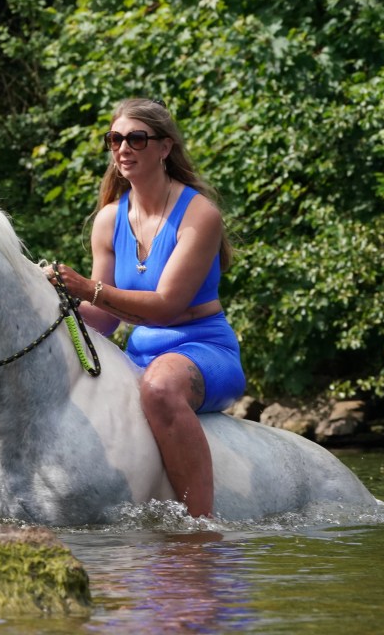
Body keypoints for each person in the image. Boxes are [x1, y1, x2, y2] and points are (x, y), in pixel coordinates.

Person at [51, 98, 245, 518]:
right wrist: (47, 308)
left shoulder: (199, 215)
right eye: (115, 139)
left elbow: (164, 307)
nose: (124, 148)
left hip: (202, 349)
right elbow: (103, 319)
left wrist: (87, 287)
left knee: (158, 388)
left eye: (137, 138)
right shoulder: (108, 219)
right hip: (138, 354)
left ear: (164, 147)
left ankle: (199, 527)